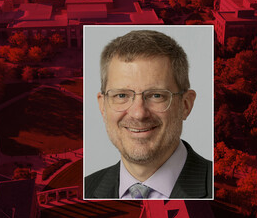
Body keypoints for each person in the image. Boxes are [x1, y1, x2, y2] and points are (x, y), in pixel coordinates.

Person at [85, 30, 212, 199]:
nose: (138, 113)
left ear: (186, 105)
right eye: (122, 95)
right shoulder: (87, 189)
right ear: (103, 106)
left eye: (156, 95)